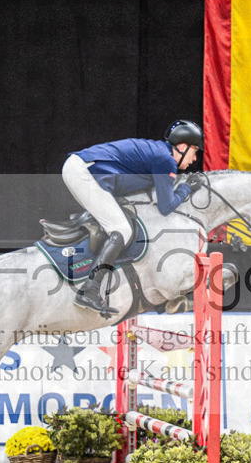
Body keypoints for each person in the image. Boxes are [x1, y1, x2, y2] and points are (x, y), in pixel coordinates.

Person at [62, 120, 203, 316]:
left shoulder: (160, 154)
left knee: (119, 222)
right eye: (194, 151)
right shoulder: (166, 160)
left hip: (82, 169)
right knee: (122, 229)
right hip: (83, 172)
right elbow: (166, 207)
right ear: (182, 146)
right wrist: (186, 188)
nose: (194, 159)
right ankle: (90, 289)